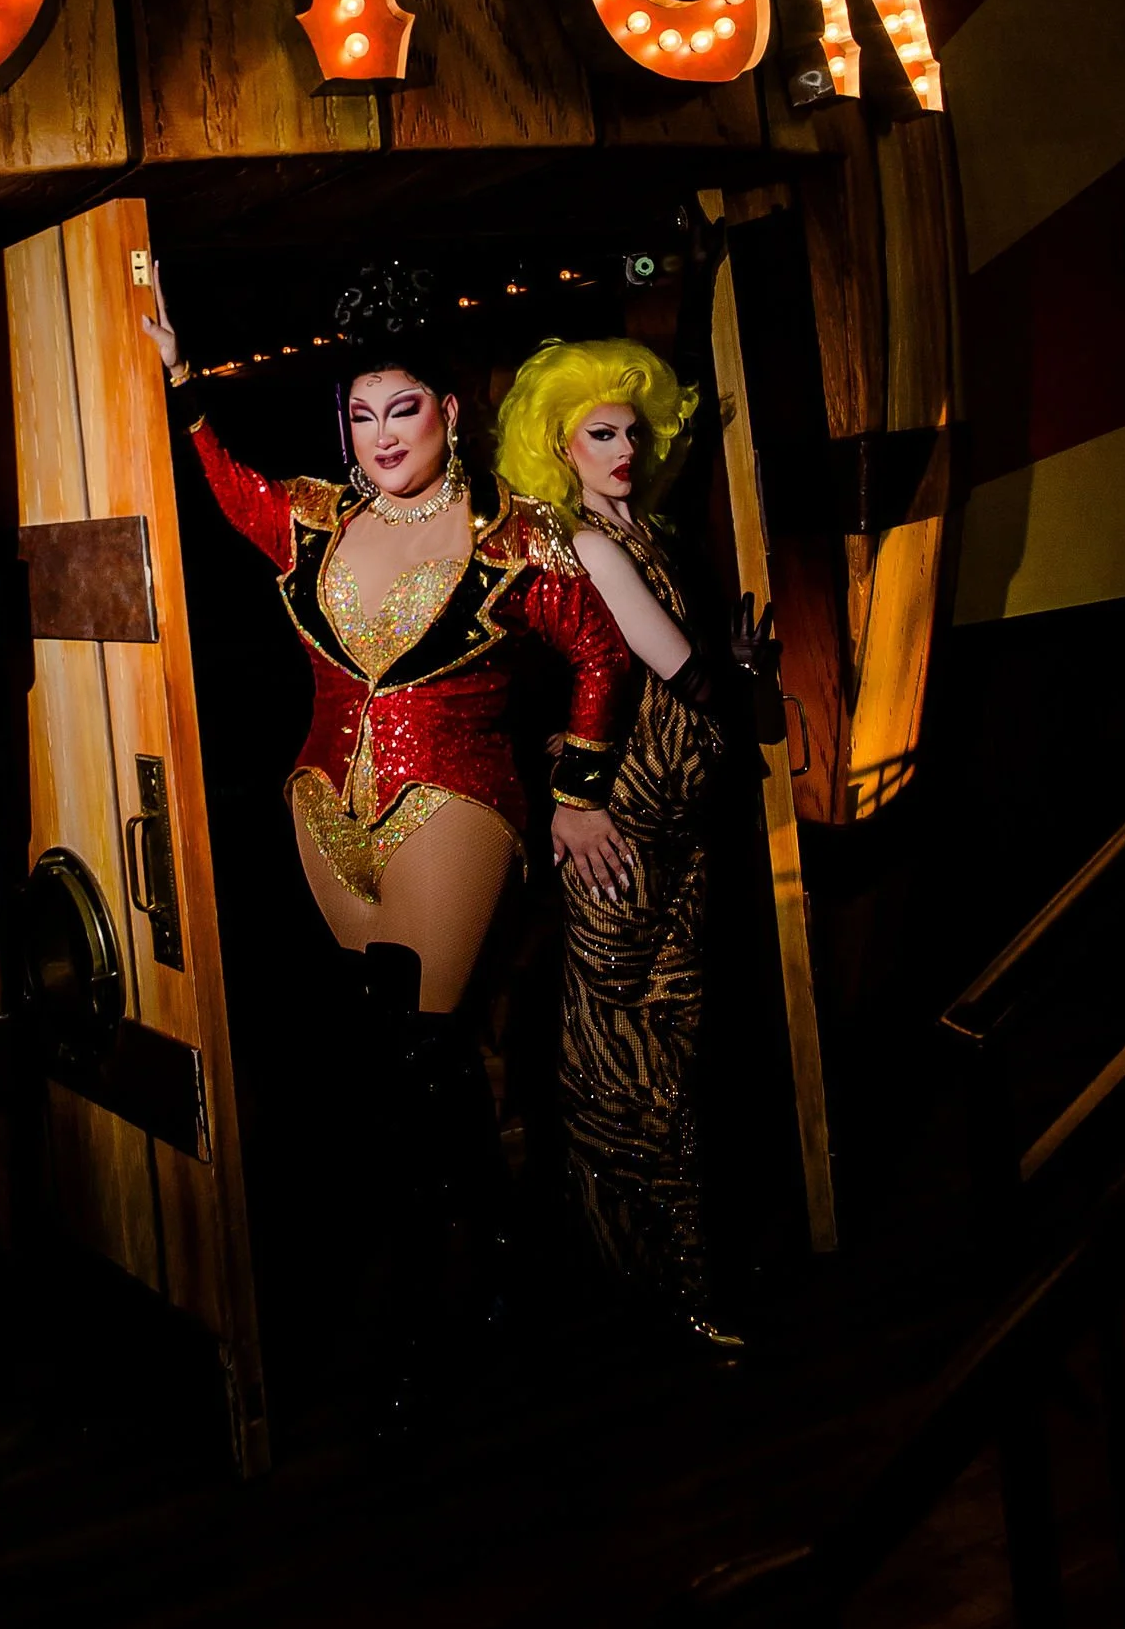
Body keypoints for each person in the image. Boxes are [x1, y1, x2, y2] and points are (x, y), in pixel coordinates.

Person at [141, 260, 636, 1404]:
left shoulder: (511, 541)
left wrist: (581, 789)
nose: (379, 436)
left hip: (453, 809)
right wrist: (182, 384)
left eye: (400, 409)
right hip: (321, 808)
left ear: (447, 413)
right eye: (359, 416)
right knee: (417, 1069)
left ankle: (416, 1321)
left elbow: (602, 655)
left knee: (414, 1066)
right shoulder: (313, 521)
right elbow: (229, 488)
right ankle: (504, 1259)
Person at [496, 335, 767, 1354]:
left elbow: (694, 669)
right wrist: (735, 683)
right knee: (620, 1069)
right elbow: (680, 674)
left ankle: (672, 1277)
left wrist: (730, 666)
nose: (622, 446)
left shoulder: (640, 529)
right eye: (598, 432)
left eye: (632, 429)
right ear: (557, 447)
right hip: (617, 835)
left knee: (673, 1057)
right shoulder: (584, 545)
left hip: (675, 830)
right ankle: (642, 1283)